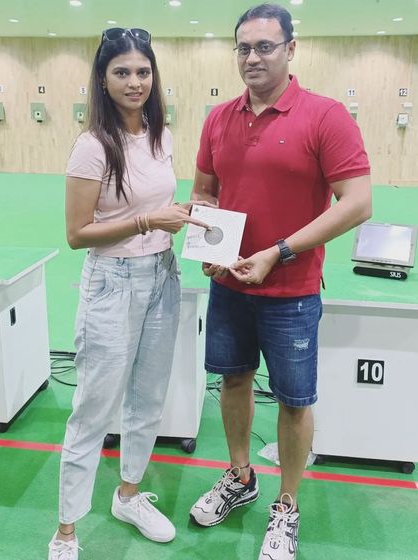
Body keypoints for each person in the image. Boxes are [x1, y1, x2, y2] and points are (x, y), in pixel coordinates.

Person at [189, 4, 372, 560]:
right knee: (233, 381)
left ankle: (286, 504)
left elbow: (358, 202)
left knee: (294, 402)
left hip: (291, 292)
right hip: (230, 287)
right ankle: (240, 475)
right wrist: (211, 246)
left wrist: (279, 252)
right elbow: (204, 191)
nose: (252, 57)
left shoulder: (325, 116)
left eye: (265, 46)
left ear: (290, 49)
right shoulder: (219, 119)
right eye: (244, 47)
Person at [48, 27, 210, 560]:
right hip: (112, 283)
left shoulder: (162, 136)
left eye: (143, 71)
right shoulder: (93, 145)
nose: (135, 82)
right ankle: (65, 531)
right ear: (103, 78)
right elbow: (77, 234)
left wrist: (186, 215)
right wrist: (146, 220)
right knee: (93, 410)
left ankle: (128, 496)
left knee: (148, 399)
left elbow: (159, 204)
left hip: (163, 276)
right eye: (122, 72)